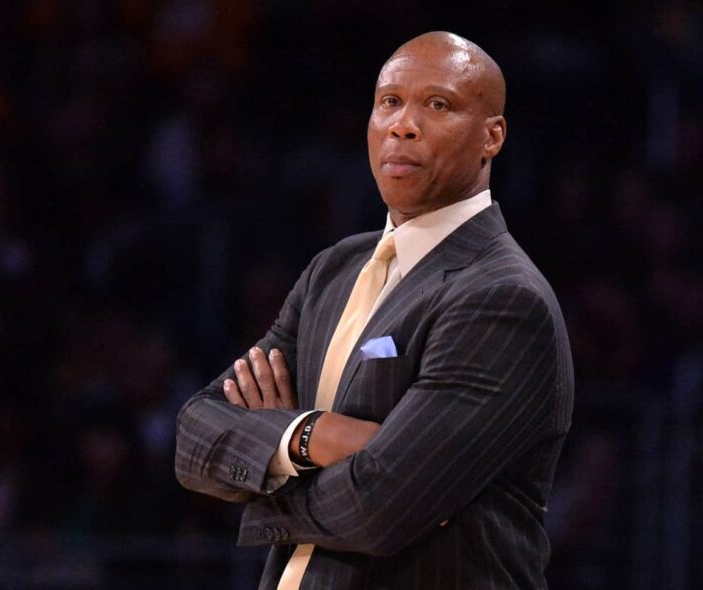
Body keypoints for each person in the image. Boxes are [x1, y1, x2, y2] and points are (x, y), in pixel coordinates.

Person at [175, 31, 573, 589]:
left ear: (492, 136)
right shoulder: (333, 270)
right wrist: (312, 436)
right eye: (389, 101)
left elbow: (379, 508)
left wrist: (265, 474)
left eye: (438, 105)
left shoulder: (502, 297)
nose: (402, 124)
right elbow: (195, 434)